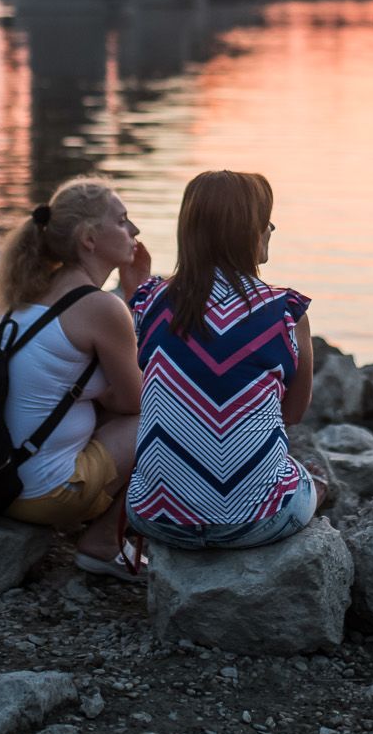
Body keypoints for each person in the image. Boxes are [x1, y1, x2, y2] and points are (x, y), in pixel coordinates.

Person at [125, 170, 323, 549]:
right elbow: (294, 414)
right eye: (265, 220)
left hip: (155, 517)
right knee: (308, 480)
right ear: (248, 232)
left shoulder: (150, 303)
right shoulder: (286, 312)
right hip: (255, 523)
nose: (271, 229)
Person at [0, 176, 153, 580]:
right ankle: (103, 543)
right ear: (89, 239)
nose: (134, 231)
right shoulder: (100, 308)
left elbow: (106, 396)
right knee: (173, 415)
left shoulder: (33, 294)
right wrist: (137, 297)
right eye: (122, 220)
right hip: (45, 495)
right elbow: (138, 403)